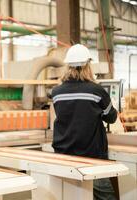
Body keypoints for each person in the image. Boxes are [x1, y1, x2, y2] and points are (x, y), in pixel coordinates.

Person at [51, 44, 118, 200]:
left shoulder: (56, 92)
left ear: (68, 66)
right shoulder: (96, 91)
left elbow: (69, 114)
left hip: (63, 155)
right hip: (91, 156)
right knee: (105, 196)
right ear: (88, 65)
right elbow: (111, 118)